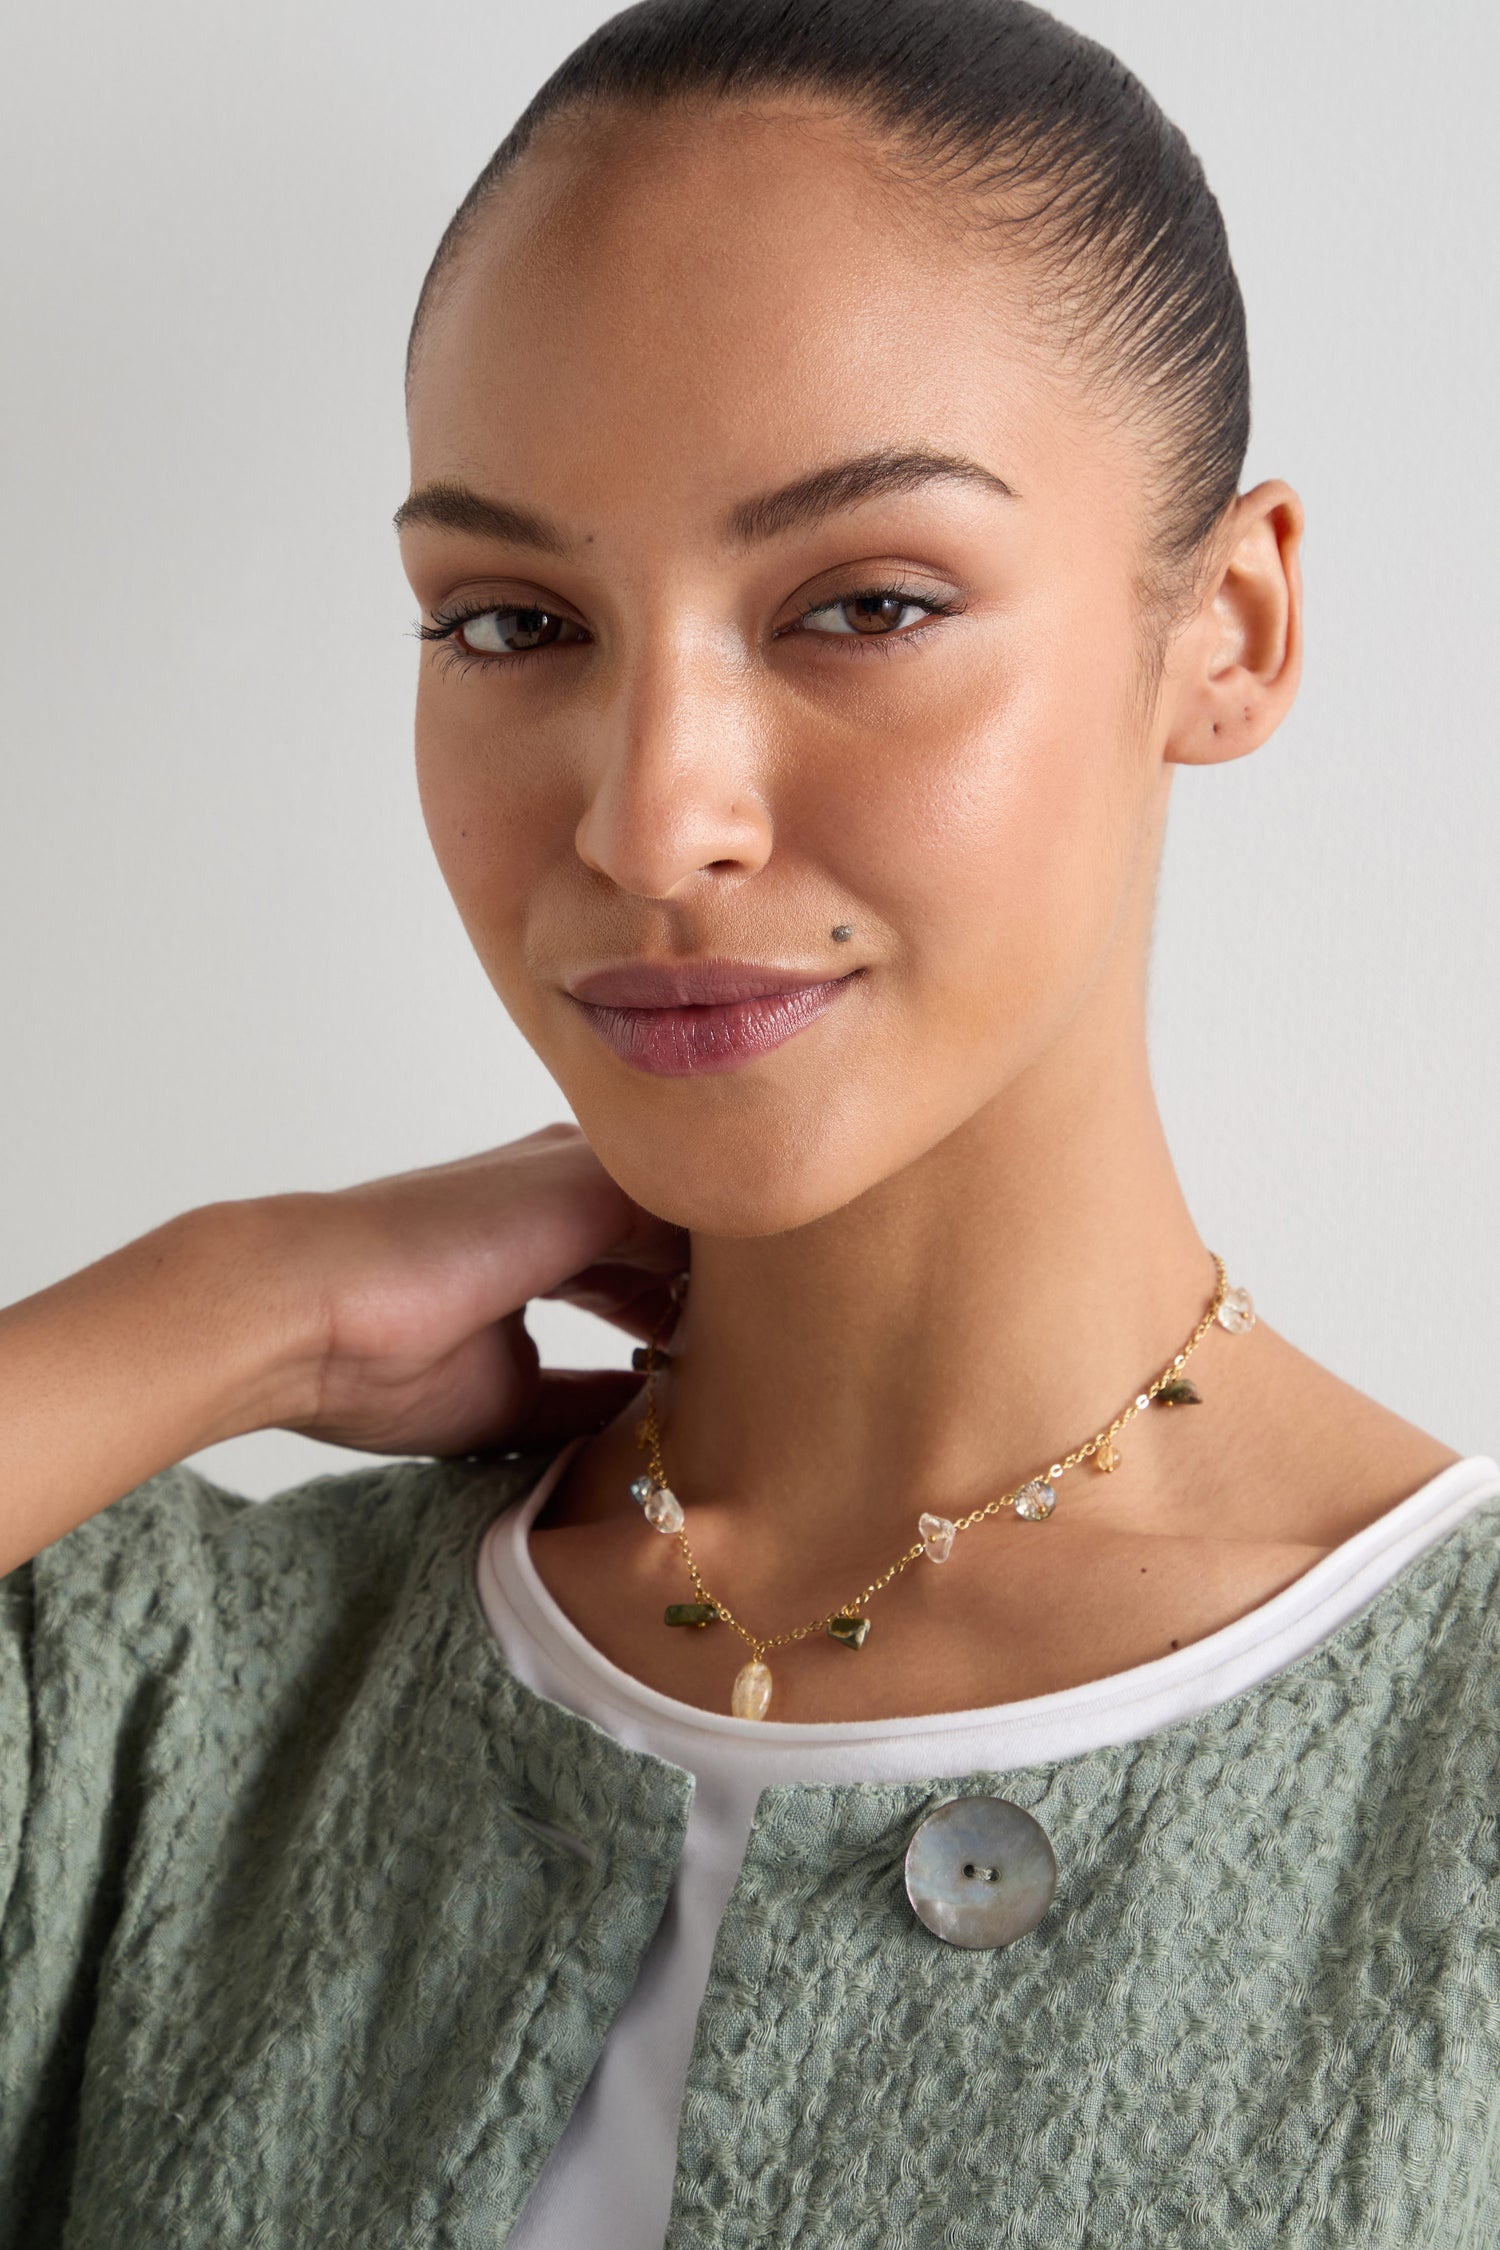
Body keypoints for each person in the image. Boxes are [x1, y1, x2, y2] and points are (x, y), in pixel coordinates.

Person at [2, 0, 1496, 2242]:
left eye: (865, 603)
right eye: (511, 620)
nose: (650, 814)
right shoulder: (161, 1712)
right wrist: (245, 1302)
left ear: (1233, 627)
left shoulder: (1447, 1775)